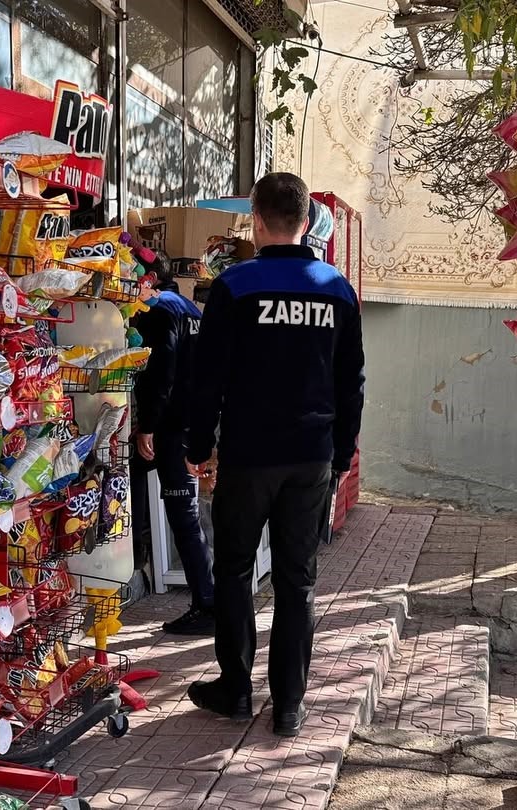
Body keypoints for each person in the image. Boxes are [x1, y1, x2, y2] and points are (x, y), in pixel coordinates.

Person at [184, 172, 364, 737]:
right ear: (307, 223)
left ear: (257, 221)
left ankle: (235, 689)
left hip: (249, 456)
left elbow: (205, 377)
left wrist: (197, 446)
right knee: (297, 580)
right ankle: (289, 704)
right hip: (311, 457)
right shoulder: (336, 289)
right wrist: (340, 456)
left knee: (235, 571)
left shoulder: (236, 287)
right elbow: (351, 382)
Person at [129, 246, 216, 635]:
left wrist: (146, 424)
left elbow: (159, 374)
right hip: (192, 425)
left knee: (184, 517)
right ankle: (209, 600)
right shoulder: (188, 309)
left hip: (173, 428)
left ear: (145, 280)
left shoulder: (158, 312)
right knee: (188, 516)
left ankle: (207, 605)